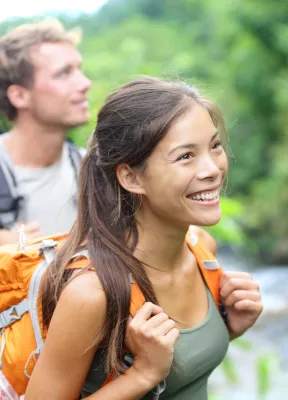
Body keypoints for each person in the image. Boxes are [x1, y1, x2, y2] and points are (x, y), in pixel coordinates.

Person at [25, 77, 263, 400]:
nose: (213, 169)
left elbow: (184, 371)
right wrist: (144, 374)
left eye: (214, 146)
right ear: (131, 177)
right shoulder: (92, 295)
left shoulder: (202, 250)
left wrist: (229, 327)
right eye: (185, 157)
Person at [0, 18, 91, 245]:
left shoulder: (93, 170)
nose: (85, 83)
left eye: (79, 70)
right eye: (63, 73)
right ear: (20, 96)